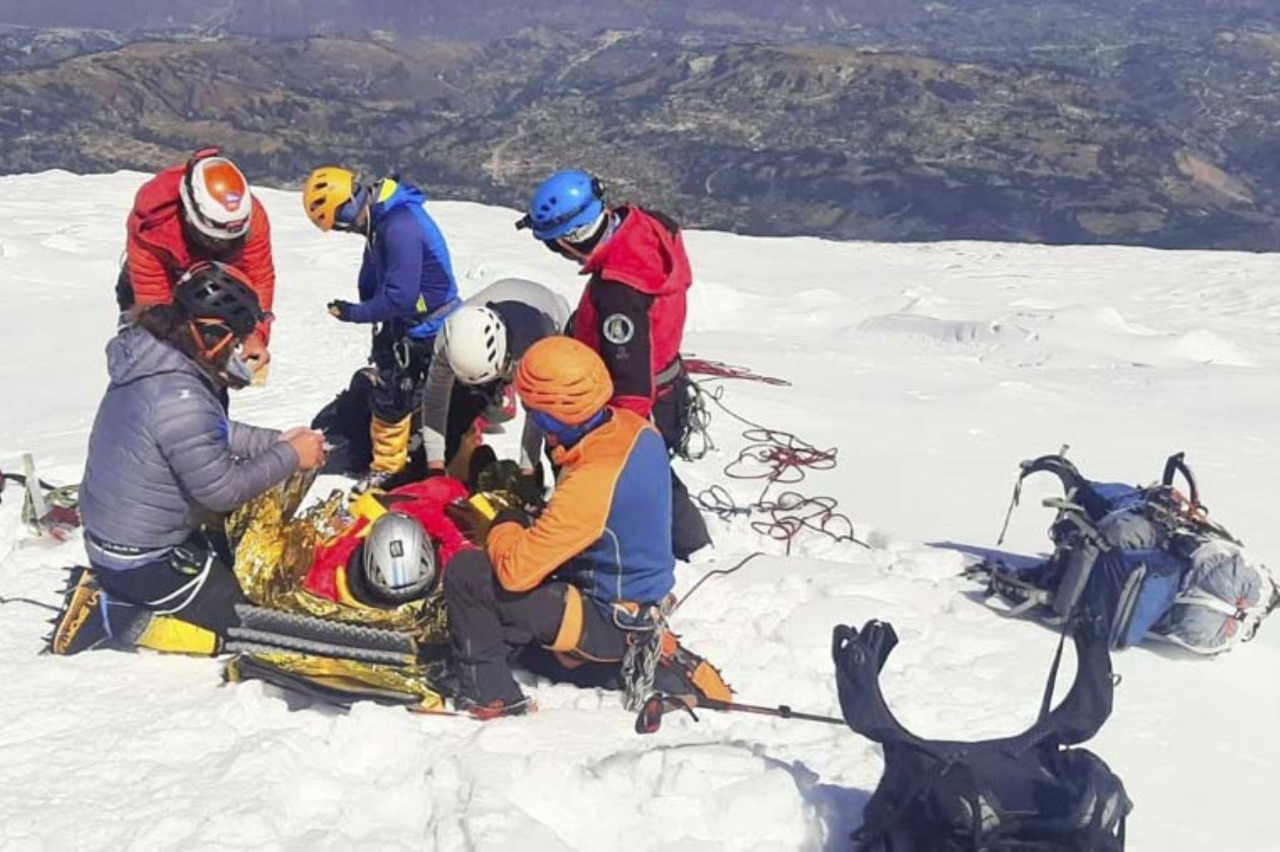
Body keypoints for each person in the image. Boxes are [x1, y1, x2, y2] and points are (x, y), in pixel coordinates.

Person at [46, 263, 327, 657]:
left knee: (237, 565)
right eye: (236, 341)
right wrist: (289, 456)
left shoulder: (158, 359)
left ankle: (123, 590)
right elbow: (223, 489)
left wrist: (276, 442)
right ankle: (113, 614)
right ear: (209, 333)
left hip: (123, 535)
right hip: (140, 558)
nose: (242, 352)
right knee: (244, 626)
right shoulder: (180, 395)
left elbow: (212, 432)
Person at [443, 337, 729, 719]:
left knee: (468, 573)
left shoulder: (593, 477)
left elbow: (515, 572)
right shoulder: (633, 429)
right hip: (636, 597)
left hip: (606, 617)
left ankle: (490, 694)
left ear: (549, 417)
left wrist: (503, 522)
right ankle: (618, 655)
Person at [518, 170, 711, 560]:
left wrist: (618, 442)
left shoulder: (618, 292)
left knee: (635, 474)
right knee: (654, 475)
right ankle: (691, 542)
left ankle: (649, 546)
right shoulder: (650, 227)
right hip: (668, 382)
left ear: (570, 238)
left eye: (554, 245)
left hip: (642, 398)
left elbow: (631, 382)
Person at [303, 166, 461, 492]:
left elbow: (401, 298)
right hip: (414, 325)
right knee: (397, 387)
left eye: (339, 224)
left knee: (395, 396)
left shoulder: (397, 226)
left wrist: (354, 313)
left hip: (431, 328)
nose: (344, 231)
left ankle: (390, 468)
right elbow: (376, 279)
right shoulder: (382, 220)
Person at [119, 148, 275, 378]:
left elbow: (258, 277)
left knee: (216, 363)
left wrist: (254, 334)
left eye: (232, 240)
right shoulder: (151, 225)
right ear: (190, 217)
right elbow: (155, 305)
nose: (222, 247)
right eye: (213, 240)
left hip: (215, 287)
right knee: (152, 356)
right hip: (164, 283)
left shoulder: (252, 219)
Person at [425, 277, 571, 480]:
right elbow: (435, 402)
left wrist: (526, 471)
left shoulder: (534, 347)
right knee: (457, 412)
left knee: (558, 430)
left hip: (550, 319)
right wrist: (435, 468)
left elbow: (537, 415)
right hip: (500, 323)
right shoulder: (448, 341)